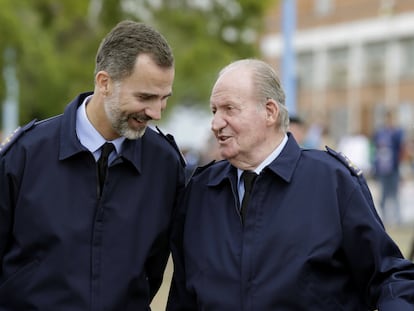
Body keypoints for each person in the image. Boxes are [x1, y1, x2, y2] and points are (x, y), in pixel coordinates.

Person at [167, 59, 414, 310]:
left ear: (270, 112)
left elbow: (388, 277)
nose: (216, 123)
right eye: (214, 111)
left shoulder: (332, 182)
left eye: (229, 109)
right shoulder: (200, 191)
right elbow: (182, 295)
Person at [0, 20, 185, 310]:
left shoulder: (166, 165)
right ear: (104, 82)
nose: (156, 112)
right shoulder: (24, 154)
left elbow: (154, 269)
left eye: (164, 99)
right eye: (145, 97)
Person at [372, 110, 405, 225]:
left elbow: (401, 147)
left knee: (395, 194)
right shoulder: (380, 133)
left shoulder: (397, 132)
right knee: (383, 195)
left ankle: (397, 218)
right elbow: (375, 149)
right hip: (382, 169)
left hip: (393, 168)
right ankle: (384, 218)